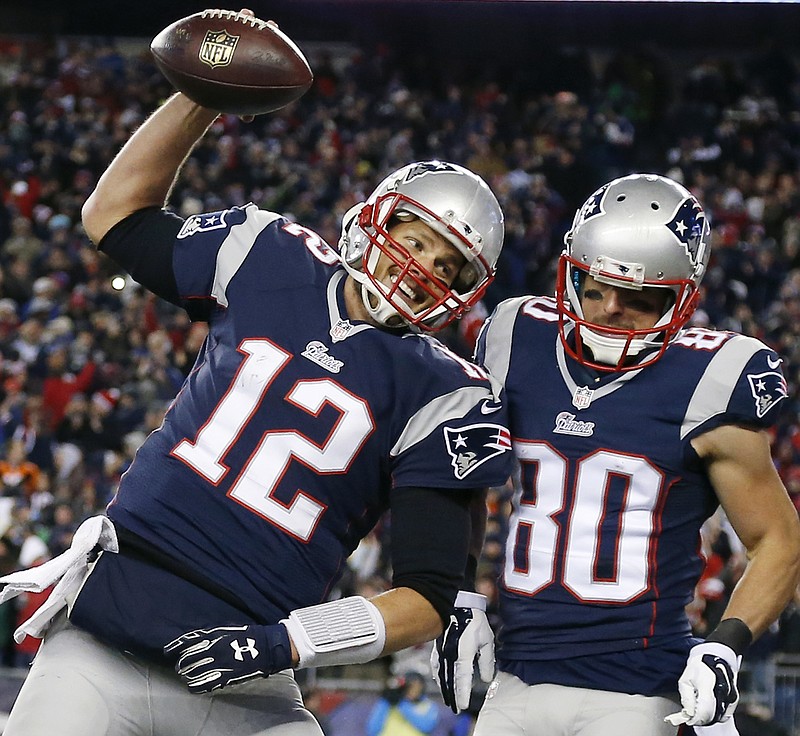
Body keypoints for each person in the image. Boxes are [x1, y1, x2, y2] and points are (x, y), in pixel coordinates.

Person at [0, 20, 512, 736]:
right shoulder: (271, 255)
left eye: (446, 264)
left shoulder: (447, 392)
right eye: (414, 237)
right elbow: (113, 216)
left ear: (464, 289)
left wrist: (288, 641)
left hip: (249, 675)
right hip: (105, 635)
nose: (419, 264)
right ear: (375, 220)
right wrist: (200, 98)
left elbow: (426, 597)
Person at [431, 173, 800, 735]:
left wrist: (726, 644)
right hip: (517, 676)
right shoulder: (516, 336)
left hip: (638, 691)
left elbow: (778, 539)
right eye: (595, 286)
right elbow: (466, 471)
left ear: (681, 298)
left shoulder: (709, 379)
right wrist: (460, 593)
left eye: (639, 298)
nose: (608, 309)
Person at [366, 671, 440, 736]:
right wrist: (385, 701)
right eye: (410, 686)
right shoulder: (389, 703)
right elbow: (372, 729)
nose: (413, 690)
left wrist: (401, 704)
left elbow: (427, 726)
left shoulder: (428, 705)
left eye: (417, 687)